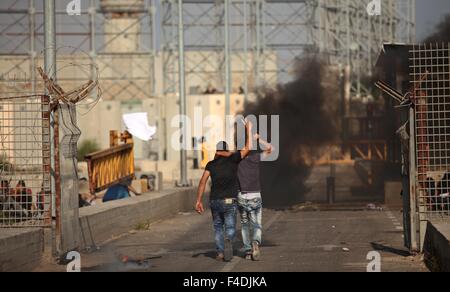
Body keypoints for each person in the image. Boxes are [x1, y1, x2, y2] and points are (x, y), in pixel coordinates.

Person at [195, 121, 252, 262]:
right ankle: (229, 239)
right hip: (229, 200)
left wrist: (198, 200)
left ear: (217, 151)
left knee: (218, 227)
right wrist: (248, 129)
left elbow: (202, 181)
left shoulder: (211, 164)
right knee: (231, 226)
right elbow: (248, 147)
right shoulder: (233, 160)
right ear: (227, 151)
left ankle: (220, 252)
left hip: (215, 201)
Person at [216, 132, 273, 261]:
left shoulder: (234, 161)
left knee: (245, 225)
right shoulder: (255, 158)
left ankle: (247, 251)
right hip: (255, 196)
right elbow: (271, 149)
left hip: (241, 196)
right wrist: (259, 139)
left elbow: (222, 154)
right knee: (257, 225)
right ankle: (256, 243)